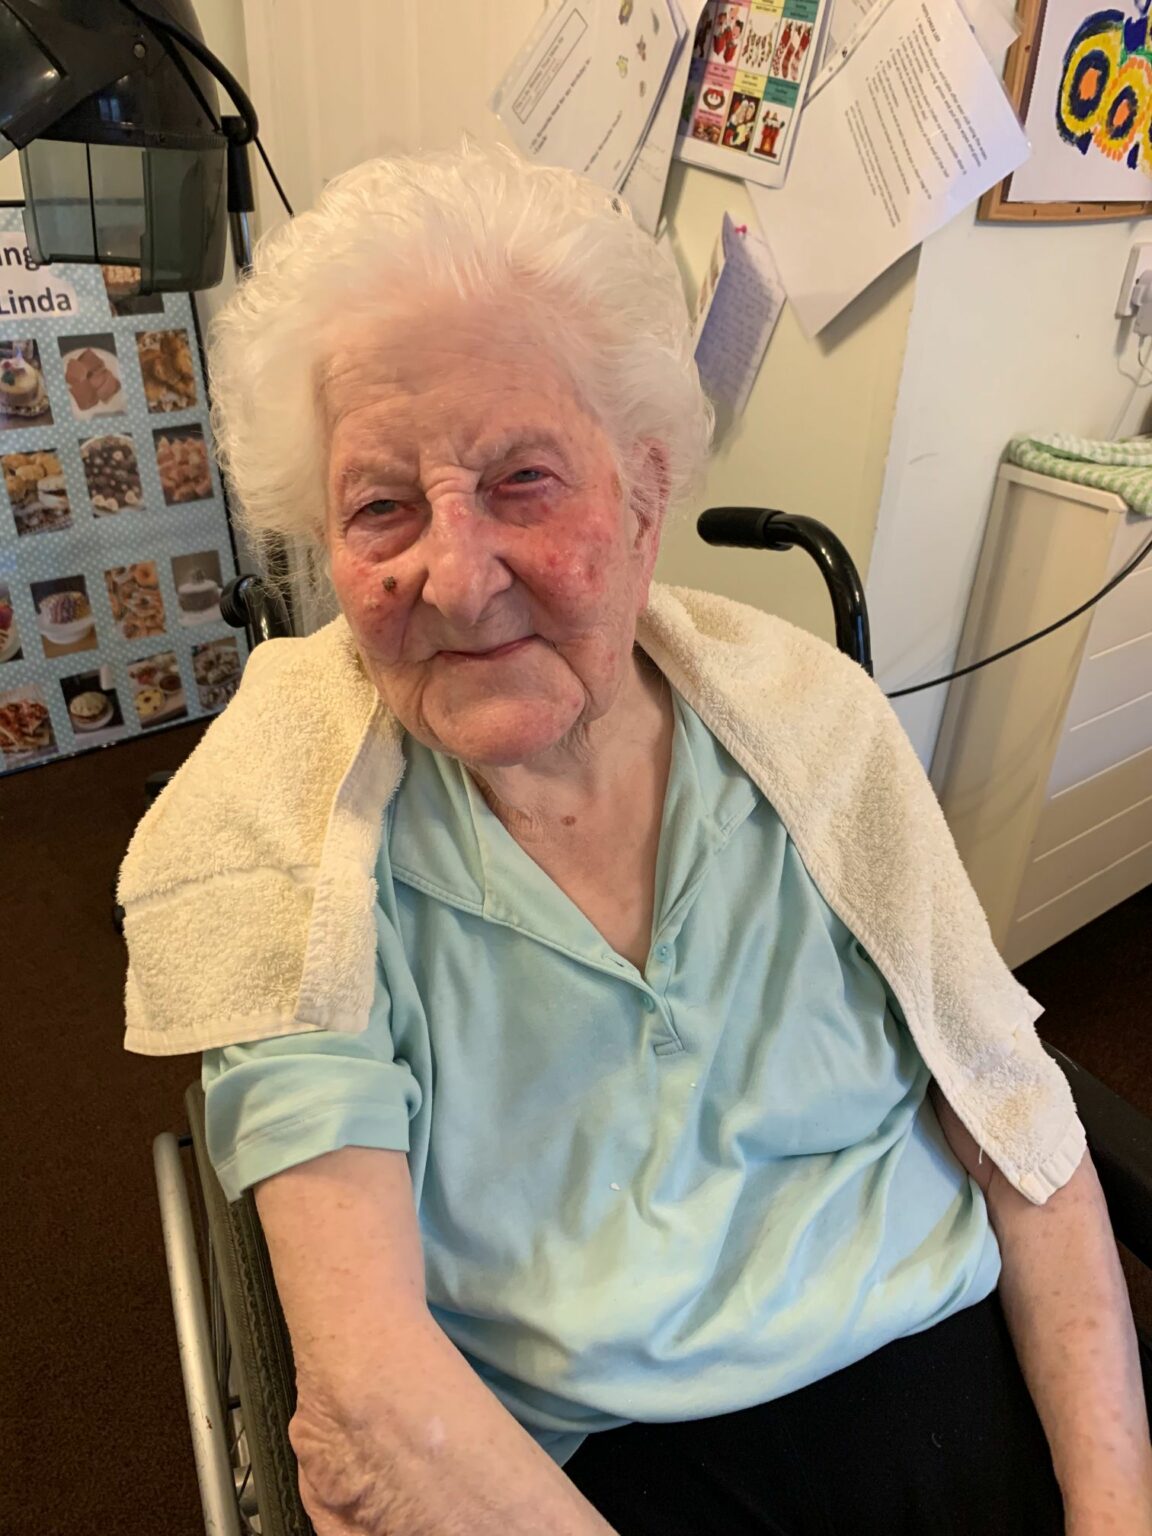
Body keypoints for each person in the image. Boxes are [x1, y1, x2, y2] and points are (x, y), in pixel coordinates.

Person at [119, 146, 1152, 1536]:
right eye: (382, 507)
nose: (455, 574)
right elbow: (370, 1407)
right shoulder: (284, 847)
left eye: (523, 480)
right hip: (597, 1473)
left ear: (647, 494)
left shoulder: (814, 728)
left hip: (957, 1372)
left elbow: (1023, 1135)